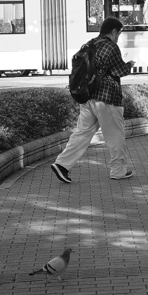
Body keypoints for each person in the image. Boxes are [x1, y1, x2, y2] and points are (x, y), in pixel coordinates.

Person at [51, 17, 136, 183]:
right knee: (115, 135)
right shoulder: (111, 46)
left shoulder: (90, 44)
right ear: (113, 32)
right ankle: (118, 171)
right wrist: (129, 65)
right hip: (107, 99)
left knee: (81, 133)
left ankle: (62, 165)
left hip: (87, 97)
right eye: (118, 33)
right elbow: (119, 71)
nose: (118, 36)